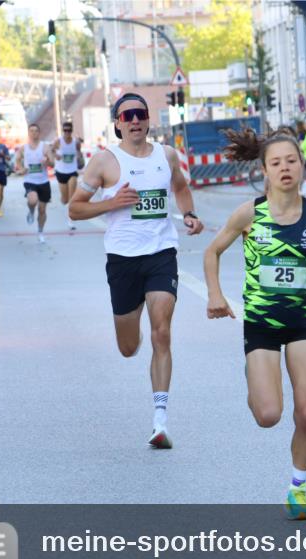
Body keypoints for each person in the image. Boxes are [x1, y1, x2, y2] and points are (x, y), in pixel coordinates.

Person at [204, 128, 306, 521]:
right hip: (260, 323)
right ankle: (255, 379)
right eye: (276, 163)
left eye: (291, 161)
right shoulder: (248, 213)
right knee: (268, 415)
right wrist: (215, 294)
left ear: (302, 166)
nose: (285, 168)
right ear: (264, 171)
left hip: (303, 321)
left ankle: (299, 487)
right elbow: (212, 251)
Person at [68, 93, 204, 450]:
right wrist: (112, 202)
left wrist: (189, 214)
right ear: (117, 123)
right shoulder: (104, 161)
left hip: (161, 253)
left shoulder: (167, 155)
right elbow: (74, 209)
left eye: (140, 114)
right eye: (126, 115)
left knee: (162, 332)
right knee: (129, 347)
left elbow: (180, 187)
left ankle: (160, 421)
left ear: (148, 119)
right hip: (123, 259)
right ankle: (134, 332)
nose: (134, 121)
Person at [14, 123, 53, 243]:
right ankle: (31, 211)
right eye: (31, 131)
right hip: (29, 180)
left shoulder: (45, 147)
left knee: (42, 210)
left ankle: (40, 232)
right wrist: (21, 169)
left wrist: (47, 162)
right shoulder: (23, 148)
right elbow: (17, 160)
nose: (34, 133)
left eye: (36, 131)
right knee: (32, 200)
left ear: (39, 133)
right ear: (28, 133)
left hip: (44, 181)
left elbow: (53, 163)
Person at [50, 121, 84, 231]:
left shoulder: (76, 142)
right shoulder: (58, 141)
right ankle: (65, 202)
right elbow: (51, 149)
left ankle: (70, 220)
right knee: (64, 200)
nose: (67, 133)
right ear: (63, 131)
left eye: (69, 130)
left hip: (72, 171)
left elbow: (79, 152)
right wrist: (56, 155)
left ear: (72, 131)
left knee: (71, 197)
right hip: (60, 171)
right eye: (65, 130)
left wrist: (79, 157)